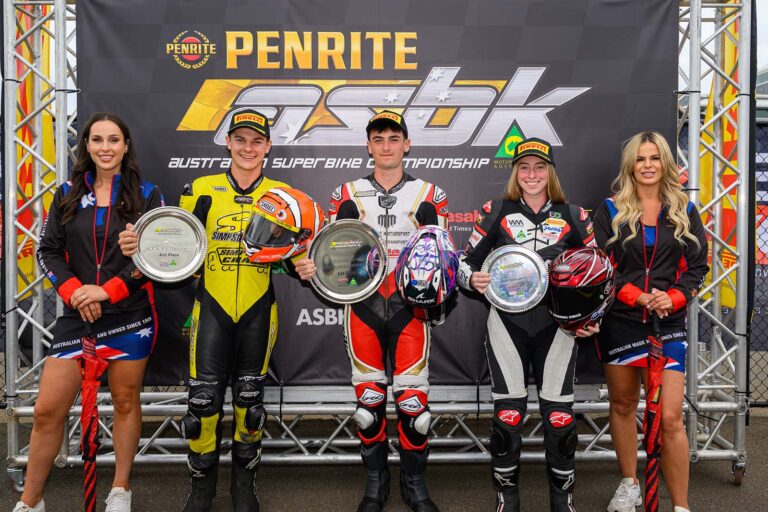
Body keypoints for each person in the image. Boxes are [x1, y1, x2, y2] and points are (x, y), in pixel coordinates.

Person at [119, 108, 293, 511]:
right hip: (211, 309)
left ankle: (243, 489)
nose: (248, 148)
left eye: (257, 141)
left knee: (250, 405)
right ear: (228, 143)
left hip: (259, 310)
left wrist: (300, 263)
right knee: (202, 406)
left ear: (268, 146)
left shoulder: (282, 195)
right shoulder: (200, 189)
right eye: (240, 139)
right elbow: (176, 251)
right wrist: (144, 247)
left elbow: (291, 256)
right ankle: (201, 490)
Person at [295, 111, 448, 512]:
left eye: (393, 138)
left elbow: (442, 253)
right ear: (368, 146)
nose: (386, 146)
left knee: (415, 408)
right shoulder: (345, 192)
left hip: (409, 305)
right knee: (368, 405)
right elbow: (331, 253)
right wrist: (311, 268)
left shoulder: (430, 193)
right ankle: (375, 485)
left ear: (407, 144)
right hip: (362, 304)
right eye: (378, 139)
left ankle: (414, 485)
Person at [14, 112, 165, 512]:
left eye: (114, 139)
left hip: (129, 314)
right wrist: (78, 292)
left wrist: (107, 290)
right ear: (86, 146)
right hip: (77, 312)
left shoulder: (148, 195)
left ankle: (120, 489)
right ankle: (31, 501)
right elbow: (48, 250)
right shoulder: (66, 193)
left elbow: (159, 255)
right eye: (97, 139)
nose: (105, 147)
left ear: (126, 146)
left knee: (125, 401)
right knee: (47, 410)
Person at [457, 138, 599, 512]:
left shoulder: (574, 214)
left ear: (549, 172)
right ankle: (507, 499)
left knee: (560, 417)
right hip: (507, 324)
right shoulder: (496, 210)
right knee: (508, 415)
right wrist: (472, 279)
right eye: (524, 167)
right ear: (515, 172)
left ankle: (562, 500)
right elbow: (465, 263)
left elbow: (599, 272)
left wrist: (590, 318)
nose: (531, 174)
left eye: (539, 167)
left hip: (559, 328)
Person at [593, 131, 707, 512]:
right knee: (623, 404)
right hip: (621, 321)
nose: (647, 165)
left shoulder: (684, 210)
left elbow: (697, 267)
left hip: (668, 323)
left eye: (654, 158)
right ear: (630, 165)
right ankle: (629, 485)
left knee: (670, 417)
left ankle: (681, 505)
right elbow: (601, 267)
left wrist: (672, 297)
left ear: (665, 163)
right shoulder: (609, 210)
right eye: (640, 158)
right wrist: (637, 296)